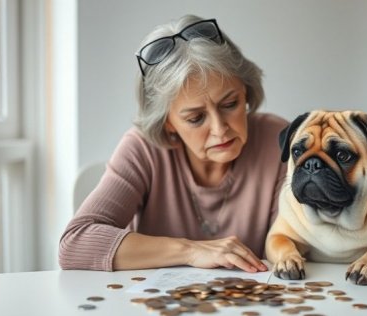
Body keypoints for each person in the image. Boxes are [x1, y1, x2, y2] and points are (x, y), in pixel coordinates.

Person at [59, 15, 288, 273]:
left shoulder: (278, 139)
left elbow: (295, 245)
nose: (219, 128)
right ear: (168, 122)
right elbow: (75, 244)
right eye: (195, 118)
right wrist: (191, 250)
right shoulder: (142, 149)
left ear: (245, 91)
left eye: (230, 104)